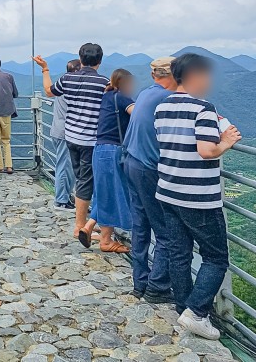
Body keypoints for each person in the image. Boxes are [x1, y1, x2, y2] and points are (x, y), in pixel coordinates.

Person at [155, 53, 241, 340]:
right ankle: (196, 312)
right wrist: (226, 141)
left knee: (179, 253)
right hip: (198, 196)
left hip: (168, 190)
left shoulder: (162, 106)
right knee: (216, 258)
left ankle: (183, 307)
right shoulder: (204, 109)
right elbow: (206, 151)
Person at [33, 43, 108, 243]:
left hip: (70, 137)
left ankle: (84, 223)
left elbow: (49, 91)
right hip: (92, 140)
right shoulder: (104, 83)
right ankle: (83, 226)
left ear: (80, 59)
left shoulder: (68, 78)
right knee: (92, 181)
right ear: (100, 62)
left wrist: (45, 69)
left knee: (81, 178)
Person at [122, 57, 177, 304]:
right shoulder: (166, 98)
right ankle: (158, 287)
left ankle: (140, 282)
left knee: (141, 226)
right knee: (165, 230)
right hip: (148, 168)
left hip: (131, 161)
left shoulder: (146, 94)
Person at [79, 69, 135, 253]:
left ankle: (89, 227)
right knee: (115, 193)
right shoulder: (122, 97)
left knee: (104, 192)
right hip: (114, 151)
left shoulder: (107, 96)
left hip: (99, 148)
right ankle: (106, 240)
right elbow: (138, 116)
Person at [50, 59, 81, 210]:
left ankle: (66, 197)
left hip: (59, 130)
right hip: (65, 132)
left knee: (68, 166)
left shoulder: (62, 84)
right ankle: (61, 200)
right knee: (64, 166)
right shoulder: (70, 87)